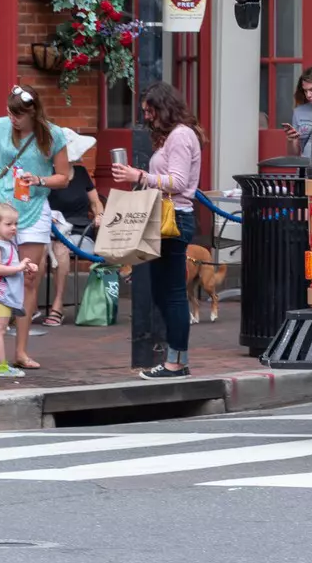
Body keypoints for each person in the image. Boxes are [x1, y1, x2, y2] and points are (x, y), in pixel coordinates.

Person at [0, 86, 72, 370]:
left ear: (33, 112)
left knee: (29, 279)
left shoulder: (53, 135)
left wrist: (40, 180)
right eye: (10, 113)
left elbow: (64, 178)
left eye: (18, 115)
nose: (13, 119)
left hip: (33, 211)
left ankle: (20, 351)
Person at [111, 82, 201, 380]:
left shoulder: (181, 136)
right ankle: (177, 358)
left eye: (150, 111)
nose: (147, 117)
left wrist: (139, 175)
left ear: (164, 108)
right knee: (163, 292)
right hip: (164, 217)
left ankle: (176, 362)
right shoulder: (173, 136)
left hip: (174, 217)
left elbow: (177, 181)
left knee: (172, 293)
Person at [41, 133, 102, 328]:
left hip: (80, 232)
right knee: (38, 252)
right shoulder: (47, 176)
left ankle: (58, 306)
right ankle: (29, 307)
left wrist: (99, 215)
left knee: (61, 249)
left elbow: (95, 202)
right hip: (50, 230)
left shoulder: (82, 173)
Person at [0, 203, 35, 378]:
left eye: (16, 224)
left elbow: (9, 266)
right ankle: (0, 366)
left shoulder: (8, 244)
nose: (13, 228)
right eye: (8, 224)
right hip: (1, 294)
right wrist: (19, 268)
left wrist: (24, 267)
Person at [284, 69, 312, 157]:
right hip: (304, 167)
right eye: (305, 91)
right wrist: (290, 140)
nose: (308, 95)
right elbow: (293, 154)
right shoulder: (299, 112)